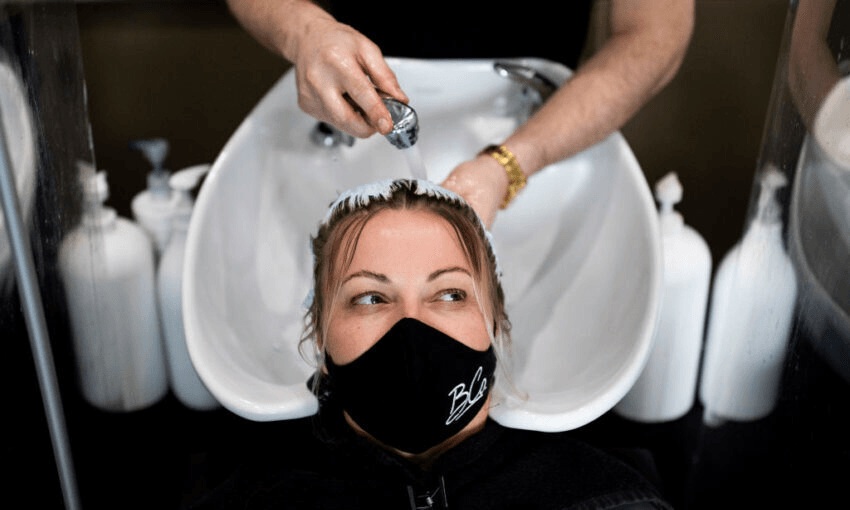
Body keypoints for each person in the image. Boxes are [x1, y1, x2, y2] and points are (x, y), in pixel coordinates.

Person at [189, 179, 672, 509]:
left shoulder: (606, 499)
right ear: (319, 332)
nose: (410, 326)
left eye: (449, 293)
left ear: (497, 322)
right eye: (371, 297)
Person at [224, 0, 695, 227]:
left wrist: (511, 165)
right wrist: (304, 32)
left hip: (540, 128)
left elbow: (655, 34)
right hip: (350, 115)